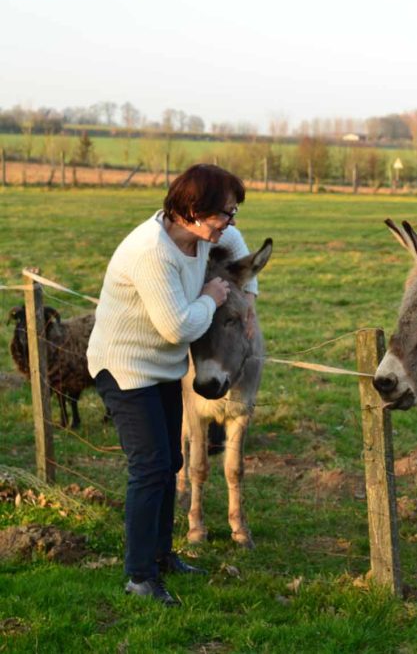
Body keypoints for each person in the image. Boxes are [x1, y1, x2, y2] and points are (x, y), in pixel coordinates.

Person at [87, 164, 258, 606]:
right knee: (150, 468)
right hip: (125, 369)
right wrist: (212, 298)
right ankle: (139, 576)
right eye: (225, 213)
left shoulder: (203, 235)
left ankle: (162, 557)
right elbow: (176, 327)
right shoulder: (153, 252)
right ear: (194, 211)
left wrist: (249, 299)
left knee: (169, 468)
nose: (231, 223)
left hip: (159, 368)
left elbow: (240, 247)